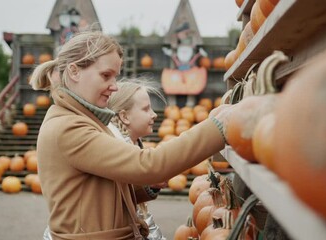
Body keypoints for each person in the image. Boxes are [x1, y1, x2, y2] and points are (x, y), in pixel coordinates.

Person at [30, 30, 228, 240]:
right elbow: (149, 165)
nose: (114, 86)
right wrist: (219, 126)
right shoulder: (69, 128)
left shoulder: (82, 120)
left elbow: (100, 194)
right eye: (106, 75)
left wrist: (144, 188)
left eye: (115, 76)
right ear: (74, 71)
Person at [107, 78, 168, 240]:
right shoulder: (112, 149)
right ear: (125, 116)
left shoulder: (133, 147)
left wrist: (149, 184)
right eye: (146, 109)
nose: (154, 114)